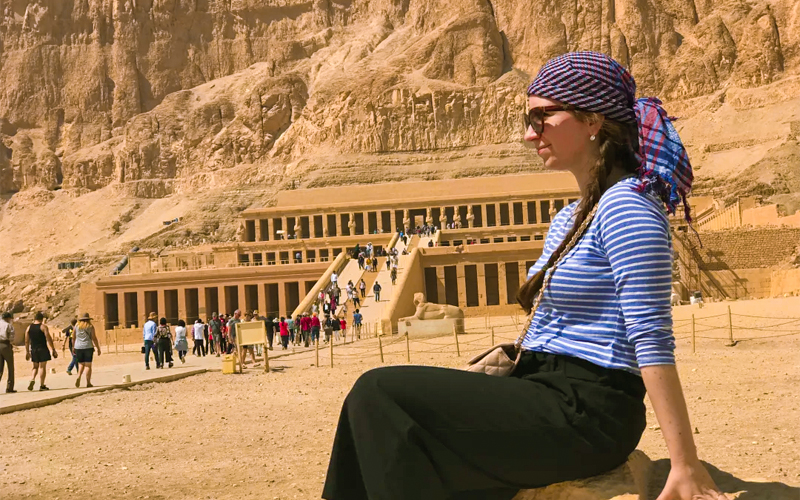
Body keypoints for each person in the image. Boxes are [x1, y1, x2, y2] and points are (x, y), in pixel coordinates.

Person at [322, 52, 726, 500]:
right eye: (527, 118)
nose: (529, 134)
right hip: (541, 387)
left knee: (377, 393)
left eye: (542, 117)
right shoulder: (570, 216)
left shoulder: (628, 207)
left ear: (593, 120)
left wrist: (685, 463)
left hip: (589, 409)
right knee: (391, 430)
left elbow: (650, 336)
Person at [25, 312, 57, 391]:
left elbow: (26, 340)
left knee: (35, 366)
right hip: (42, 348)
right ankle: (42, 385)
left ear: (34, 318)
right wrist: (53, 349)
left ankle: (32, 379)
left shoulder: (29, 327)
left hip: (34, 349)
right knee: (42, 367)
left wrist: (27, 352)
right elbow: (48, 338)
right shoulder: (43, 327)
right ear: (42, 319)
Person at [72, 313, 101, 388]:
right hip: (88, 346)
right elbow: (94, 338)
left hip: (78, 347)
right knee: (88, 365)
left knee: (81, 364)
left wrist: (73, 347)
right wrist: (98, 348)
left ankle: (78, 376)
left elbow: (73, 337)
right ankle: (88, 382)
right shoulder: (90, 326)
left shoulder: (76, 326)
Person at [0, 311, 16, 393]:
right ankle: (9, 387)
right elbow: (11, 338)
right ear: (7, 318)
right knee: (10, 367)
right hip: (5, 345)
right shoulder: (8, 325)